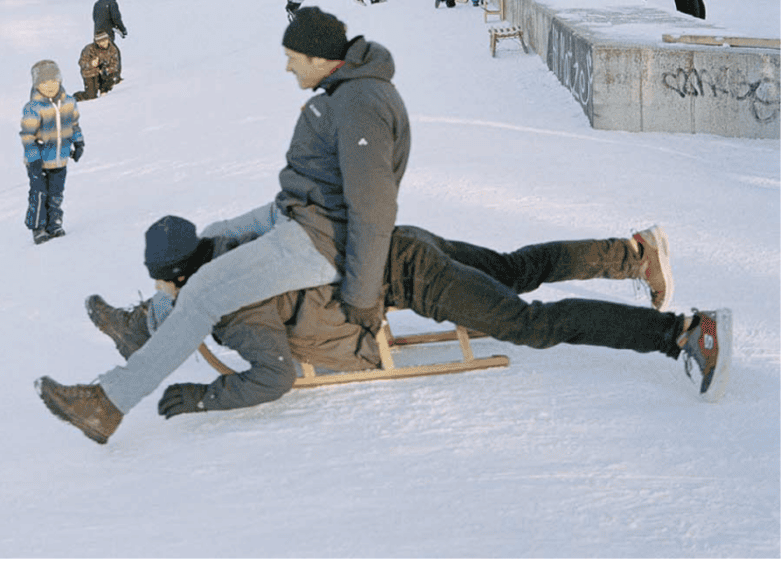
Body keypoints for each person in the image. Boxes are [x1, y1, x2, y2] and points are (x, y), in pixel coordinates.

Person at [35, 6, 409, 443]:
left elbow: (373, 208)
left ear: (319, 57)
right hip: (299, 213)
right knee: (210, 238)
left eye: (293, 55)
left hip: (321, 242)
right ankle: (147, 326)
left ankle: (107, 403)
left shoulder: (361, 106)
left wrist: (363, 297)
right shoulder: (346, 93)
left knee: (205, 288)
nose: (287, 64)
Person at [82, 215, 728, 417]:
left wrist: (203, 395)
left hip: (412, 274)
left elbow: (270, 374)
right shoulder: (229, 242)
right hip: (399, 242)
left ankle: (680, 333)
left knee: (530, 324)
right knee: (508, 269)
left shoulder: (233, 302)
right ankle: (633, 253)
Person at [20, 60, 83, 244]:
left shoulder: (69, 102)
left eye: (53, 81)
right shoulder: (33, 108)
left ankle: (54, 223)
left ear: (59, 80)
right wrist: (33, 158)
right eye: (44, 83)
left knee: (56, 193)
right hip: (38, 162)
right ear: (37, 85)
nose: (49, 86)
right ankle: (38, 227)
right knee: (39, 194)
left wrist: (79, 143)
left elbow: (74, 125)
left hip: (60, 159)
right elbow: (27, 136)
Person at [78, 31, 123, 99]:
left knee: (112, 76)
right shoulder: (89, 49)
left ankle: (104, 91)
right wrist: (91, 64)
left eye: (105, 40)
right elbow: (81, 62)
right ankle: (76, 97)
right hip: (90, 73)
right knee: (91, 96)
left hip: (103, 72)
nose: (104, 43)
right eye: (101, 41)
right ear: (97, 42)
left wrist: (107, 70)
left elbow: (115, 64)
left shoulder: (112, 49)